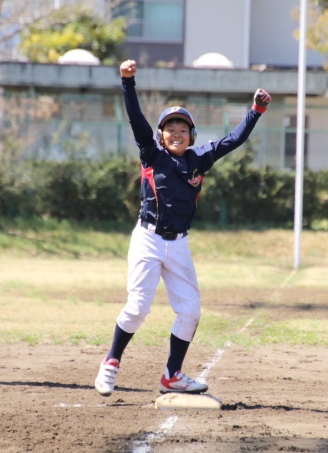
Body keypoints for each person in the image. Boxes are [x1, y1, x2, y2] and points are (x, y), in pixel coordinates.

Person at [94, 60, 271, 396]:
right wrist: (127, 81)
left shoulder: (197, 158)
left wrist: (256, 111)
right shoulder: (152, 155)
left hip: (178, 245)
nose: (176, 133)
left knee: (190, 311)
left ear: (191, 136)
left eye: (183, 129)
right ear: (160, 136)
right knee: (138, 307)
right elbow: (136, 118)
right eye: (170, 128)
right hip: (147, 239)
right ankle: (111, 362)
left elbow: (232, 140)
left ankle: (172, 375)